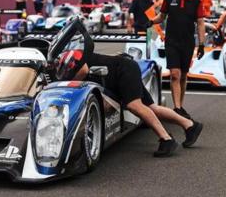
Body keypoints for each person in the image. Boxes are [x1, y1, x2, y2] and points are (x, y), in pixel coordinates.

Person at [53, 20, 203, 157]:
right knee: (152, 108)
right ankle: (190, 125)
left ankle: (166, 139)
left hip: (123, 71)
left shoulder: (74, 53)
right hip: (124, 70)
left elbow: (84, 70)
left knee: (134, 106)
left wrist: (69, 83)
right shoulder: (69, 55)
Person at [150, 0, 206, 120]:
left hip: (188, 43)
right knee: (175, 74)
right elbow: (161, 17)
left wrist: (201, 44)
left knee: (183, 75)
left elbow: (200, 23)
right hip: (171, 42)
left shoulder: (196, 1)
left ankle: (180, 105)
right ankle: (177, 108)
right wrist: (150, 21)